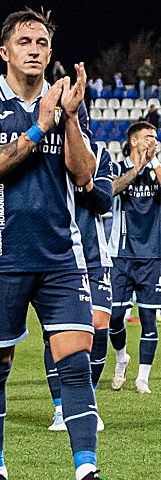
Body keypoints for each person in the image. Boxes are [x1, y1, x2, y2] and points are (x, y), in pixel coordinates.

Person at [0, 8, 121, 480]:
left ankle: (87, 474)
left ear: (51, 53)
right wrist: (38, 127)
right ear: (5, 51)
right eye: (25, 40)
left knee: (75, 366)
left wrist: (69, 117)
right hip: (2, 260)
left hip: (61, 257)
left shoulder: (66, 101)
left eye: (43, 42)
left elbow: (85, 175)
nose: (35, 48)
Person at [45, 139, 113, 430]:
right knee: (57, 335)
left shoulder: (98, 152)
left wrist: (84, 183)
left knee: (99, 327)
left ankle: (87, 402)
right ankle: (61, 408)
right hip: (56, 254)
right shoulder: (47, 147)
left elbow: (104, 201)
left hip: (94, 253)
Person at [108, 121, 161, 394]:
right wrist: (138, 167)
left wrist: (152, 164)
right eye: (147, 137)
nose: (153, 141)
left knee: (149, 317)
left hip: (153, 255)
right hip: (120, 253)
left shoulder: (158, 169)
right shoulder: (116, 167)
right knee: (115, 317)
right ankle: (121, 358)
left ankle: (143, 378)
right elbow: (111, 191)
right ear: (133, 142)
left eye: (155, 137)